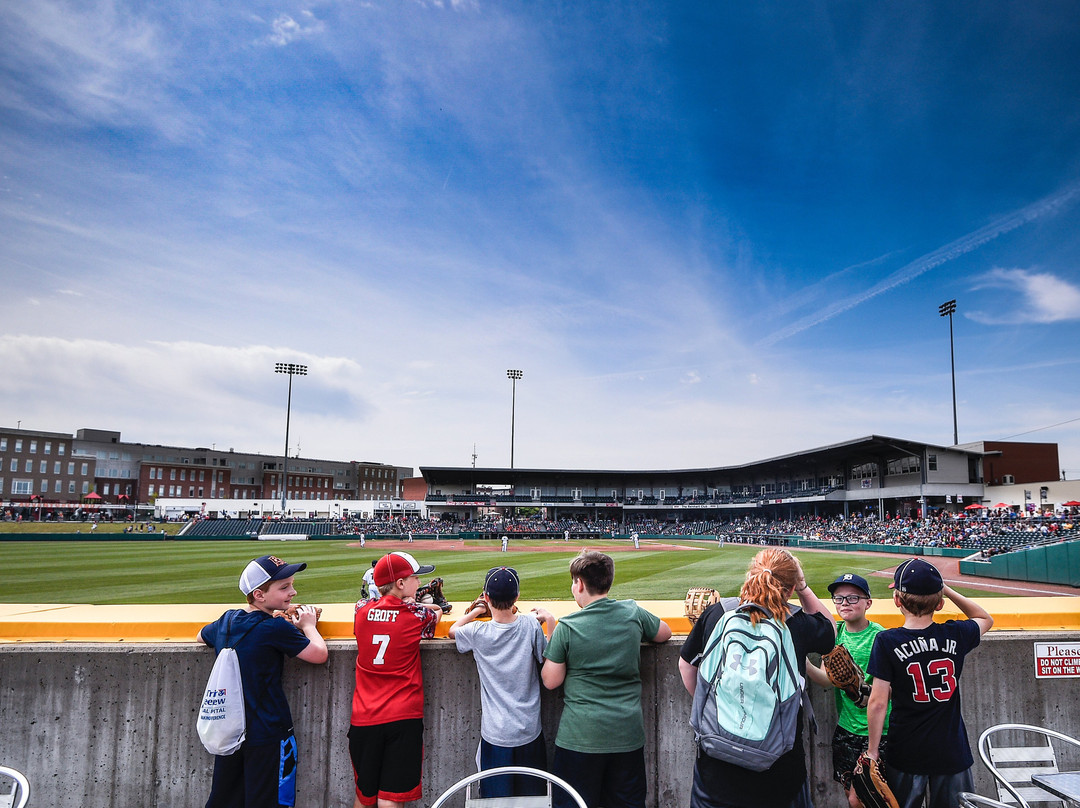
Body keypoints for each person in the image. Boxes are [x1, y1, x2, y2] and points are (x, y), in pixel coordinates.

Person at [678, 547, 835, 808]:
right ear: (789, 588)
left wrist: (718, 707)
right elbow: (829, 629)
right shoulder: (796, 624)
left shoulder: (719, 613)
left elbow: (686, 666)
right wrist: (804, 587)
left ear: (751, 574)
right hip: (779, 770)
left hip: (717, 764)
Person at [542, 551, 672, 808]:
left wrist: (551, 632)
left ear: (579, 584)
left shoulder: (567, 626)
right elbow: (664, 632)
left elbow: (550, 681)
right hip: (626, 734)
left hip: (580, 738)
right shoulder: (631, 611)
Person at [197, 555, 328, 808]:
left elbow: (201, 636)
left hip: (230, 733)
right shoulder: (275, 628)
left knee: (226, 798)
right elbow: (319, 654)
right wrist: (309, 625)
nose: (293, 591)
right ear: (259, 594)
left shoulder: (228, 620)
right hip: (269, 732)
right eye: (284, 587)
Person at [866, 558, 993, 808]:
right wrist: (944, 589)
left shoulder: (887, 641)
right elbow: (984, 618)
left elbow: (878, 703)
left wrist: (872, 751)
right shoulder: (955, 634)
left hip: (906, 750)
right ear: (940, 603)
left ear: (897, 601)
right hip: (951, 750)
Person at [448, 567, 555, 798]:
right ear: (516, 597)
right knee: (533, 800)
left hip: (495, 733)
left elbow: (452, 630)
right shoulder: (530, 625)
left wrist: (476, 610)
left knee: (495, 801)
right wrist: (550, 621)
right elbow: (547, 659)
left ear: (487, 597)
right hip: (529, 730)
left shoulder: (477, 631)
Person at [349, 551, 443, 808]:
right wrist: (424, 602)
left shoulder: (361, 611)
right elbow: (435, 613)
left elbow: (367, 606)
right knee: (391, 799)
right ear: (400, 583)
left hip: (364, 717)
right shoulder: (416, 615)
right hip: (403, 716)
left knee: (364, 796)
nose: (420, 583)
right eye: (414, 578)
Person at [805, 573, 890, 808]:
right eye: (839, 598)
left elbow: (894, 688)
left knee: (860, 798)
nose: (845, 603)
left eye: (853, 598)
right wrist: (804, 661)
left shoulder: (881, 637)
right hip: (845, 731)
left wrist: (864, 691)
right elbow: (826, 680)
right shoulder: (835, 635)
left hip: (878, 733)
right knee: (851, 796)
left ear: (868, 603)